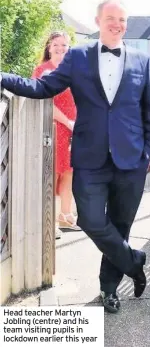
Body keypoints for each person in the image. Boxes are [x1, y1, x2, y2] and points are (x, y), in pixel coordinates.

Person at [0, 0, 150, 314]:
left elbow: (149, 114)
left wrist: (146, 154)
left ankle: (109, 289)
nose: (117, 24)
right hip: (89, 157)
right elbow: (41, 87)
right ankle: (134, 261)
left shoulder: (142, 61)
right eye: (111, 18)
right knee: (89, 219)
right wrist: (3, 77)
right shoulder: (77, 57)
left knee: (121, 224)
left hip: (131, 161)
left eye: (122, 19)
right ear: (98, 20)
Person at [32, 31, 81, 239]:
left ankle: (65, 216)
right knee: (52, 174)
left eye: (64, 45)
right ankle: (48, 221)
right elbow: (44, 101)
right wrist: (67, 122)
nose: (60, 48)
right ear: (48, 47)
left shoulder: (73, 71)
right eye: (56, 45)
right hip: (51, 128)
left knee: (69, 172)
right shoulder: (42, 71)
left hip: (73, 129)